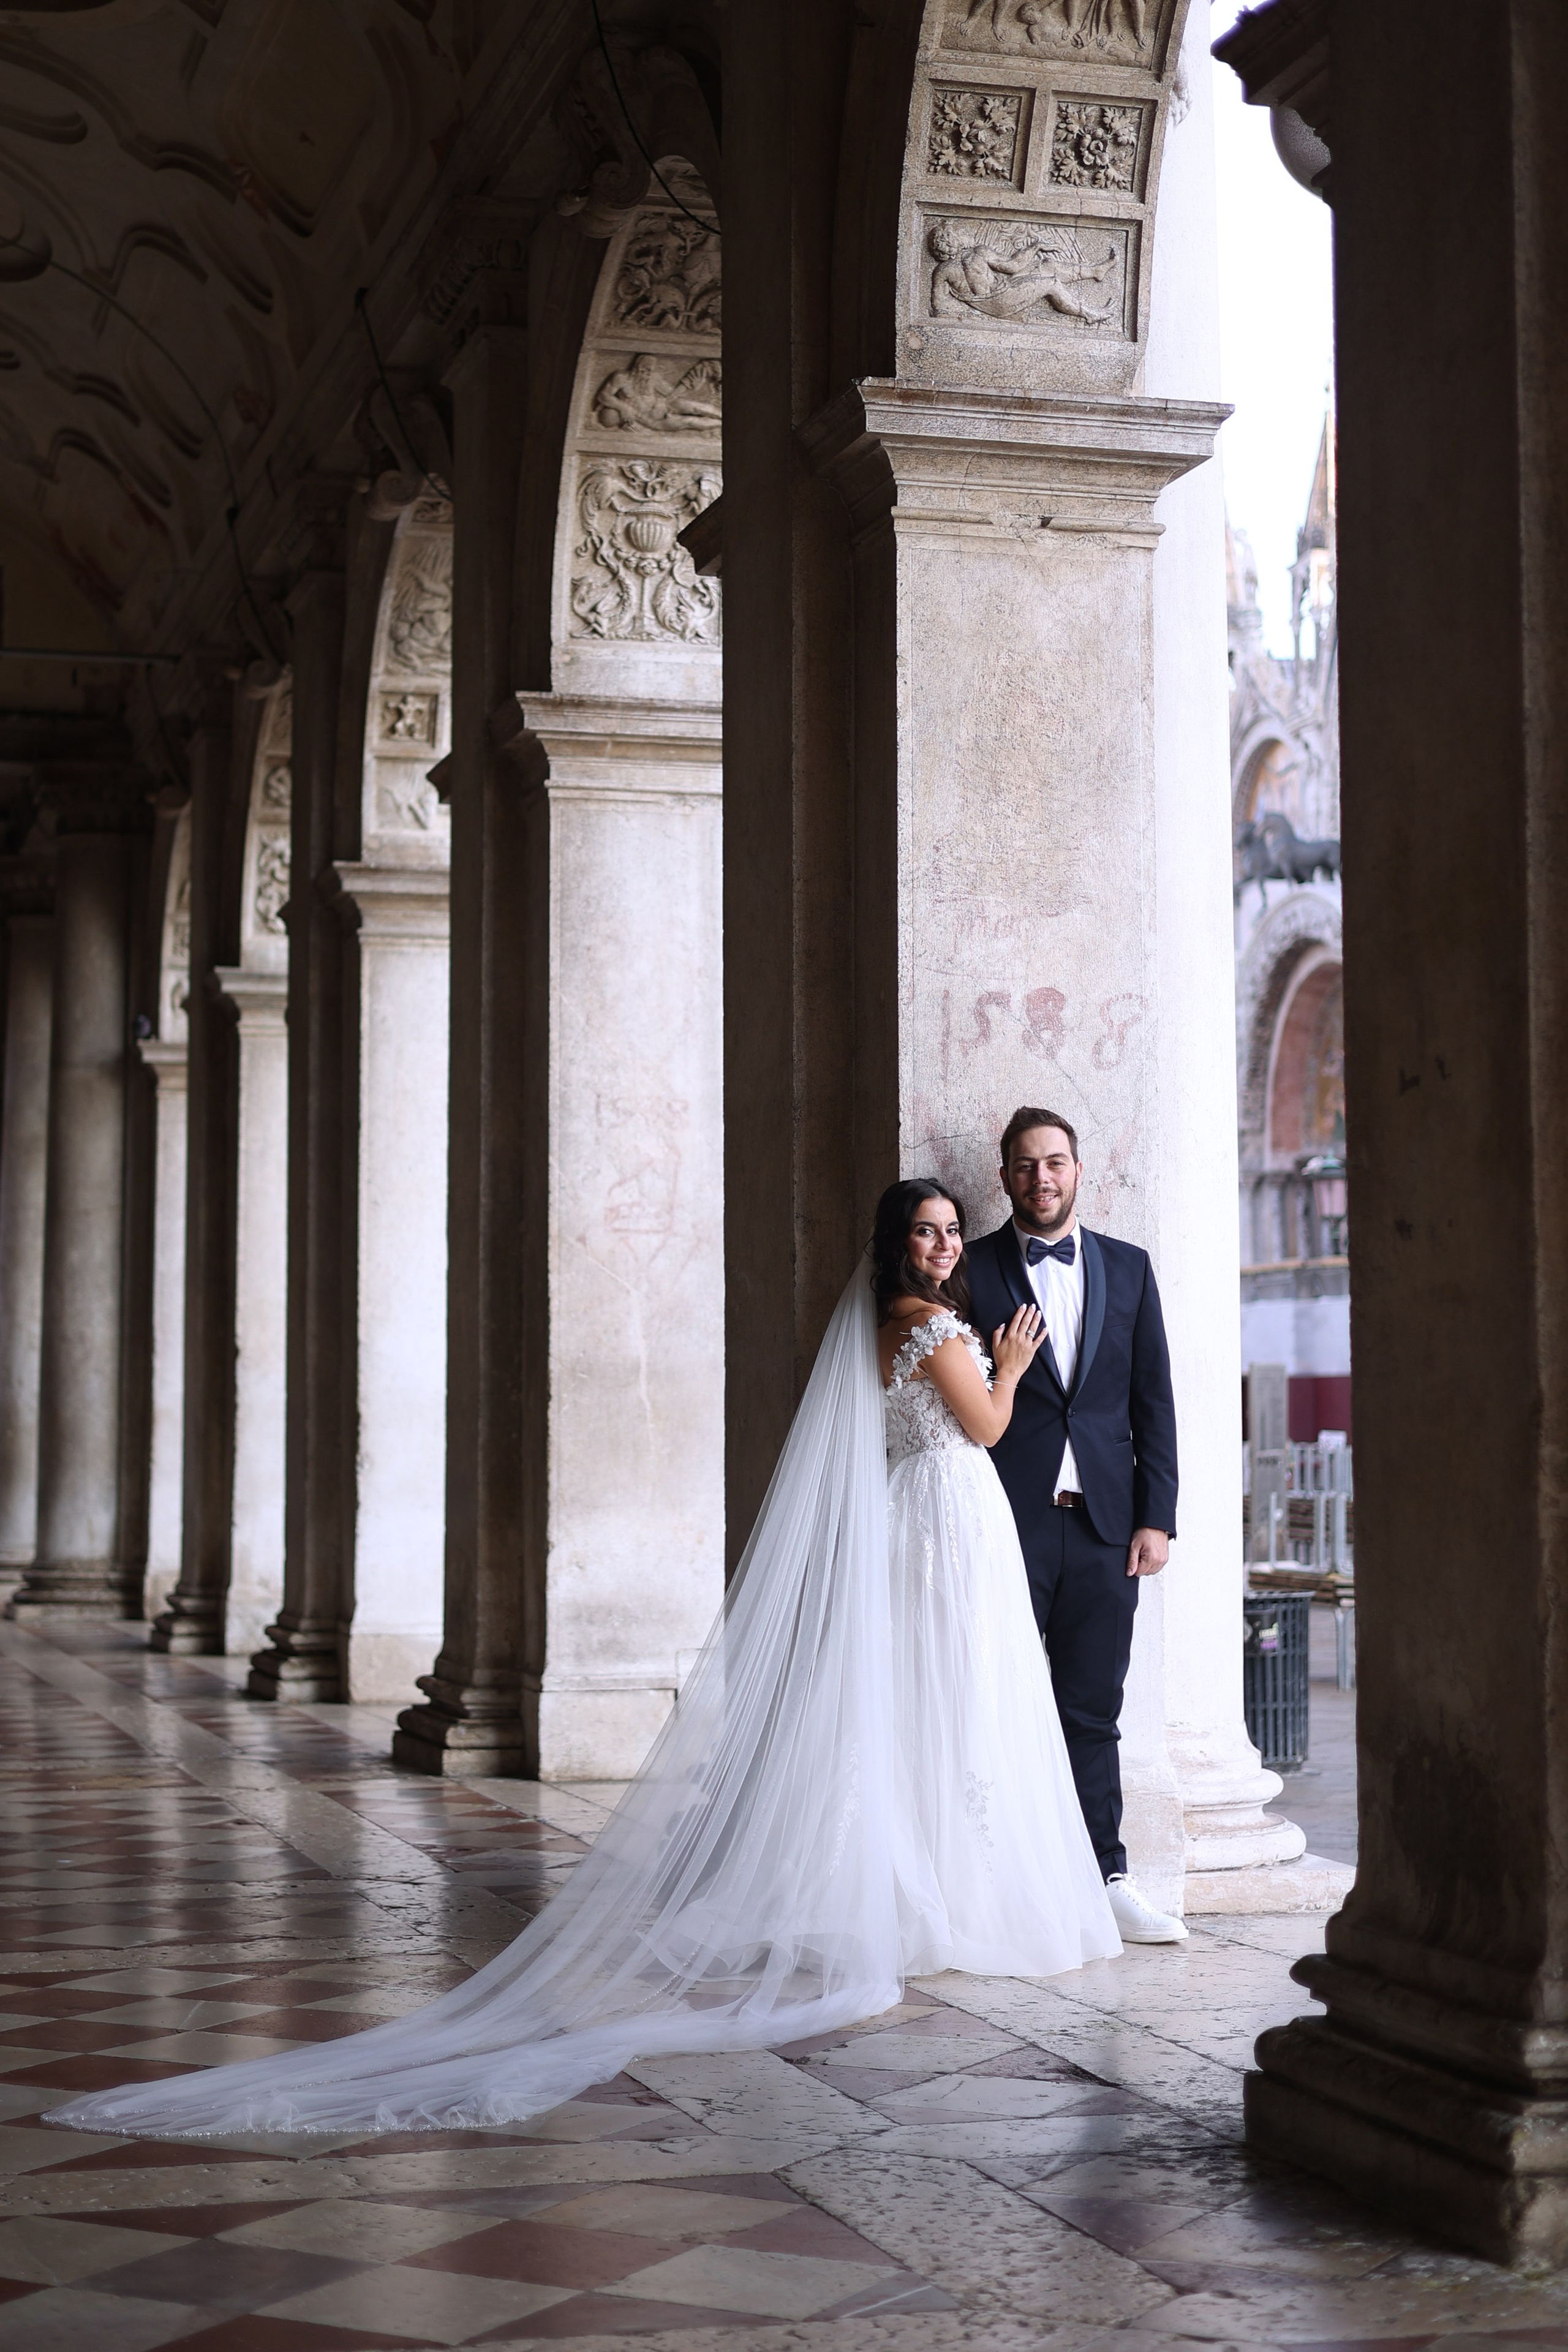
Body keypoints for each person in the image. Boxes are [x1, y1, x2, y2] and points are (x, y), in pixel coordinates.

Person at [48, 1181, 1118, 2144]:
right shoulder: (930, 1326)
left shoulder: (892, 1324)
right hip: (943, 1523)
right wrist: (1013, 1367)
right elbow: (981, 1427)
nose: (940, 1246)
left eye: (946, 1233)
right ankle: (944, 1891)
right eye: (923, 1234)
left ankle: (922, 1881)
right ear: (896, 1249)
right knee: (952, 1702)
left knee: (933, 1709)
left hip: (927, 1529)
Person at [965, 1109, 1186, 1943]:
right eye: (1025, 1167)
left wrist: (1157, 1518)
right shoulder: (974, 1270)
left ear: (1079, 1170)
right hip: (1002, 1529)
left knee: (1093, 1710)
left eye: (1055, 1163)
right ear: (1005, 1178)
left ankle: (1107, 1880)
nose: (1042, 1179)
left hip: (1105, 1530)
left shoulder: (1129, 1269)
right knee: (994, 1705)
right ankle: (1000, 1884)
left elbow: (1154, 1400)